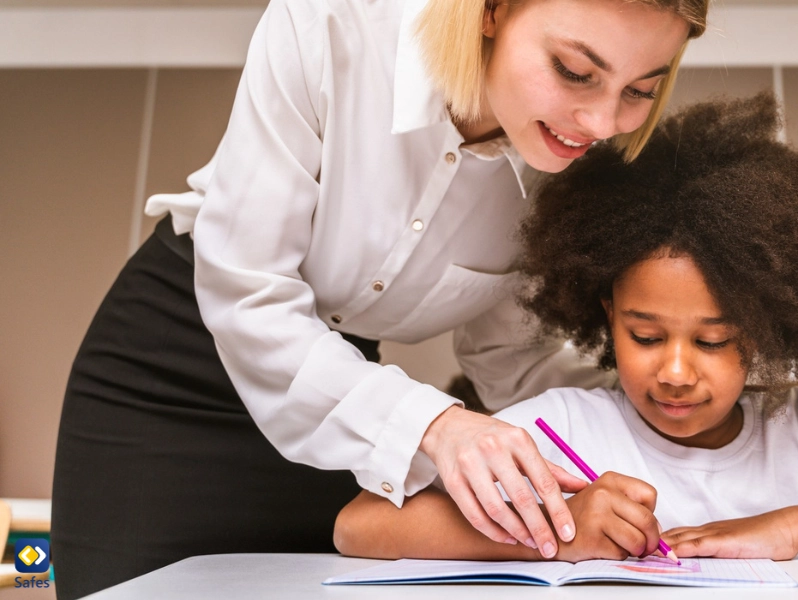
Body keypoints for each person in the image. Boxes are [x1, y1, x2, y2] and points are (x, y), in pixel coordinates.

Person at [50, 0, 707, 596]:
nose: (600, 120)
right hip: (172, 372)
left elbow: (512, 359)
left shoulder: (565, 163)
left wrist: (685, 409)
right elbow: (247, 291)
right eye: (573, 71)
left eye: (639, 89)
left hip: (341, 423)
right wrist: (439, 426)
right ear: (492, 11)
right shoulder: (329, 26)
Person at [332, 94, 798, 562]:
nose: (676, 371)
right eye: (646, 335)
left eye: (715, 340)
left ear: (762, 330)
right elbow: (361, 525)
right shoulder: (561, 428)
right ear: (606, 314)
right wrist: (560, 535)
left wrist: (792, 527)